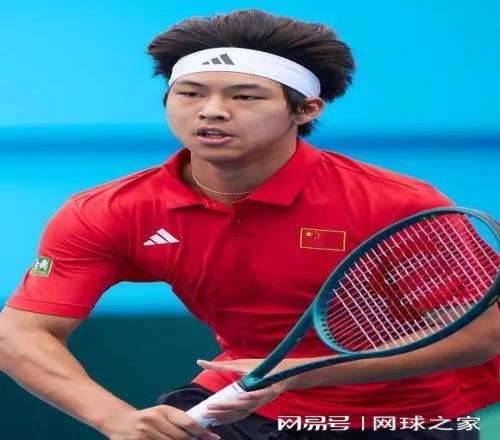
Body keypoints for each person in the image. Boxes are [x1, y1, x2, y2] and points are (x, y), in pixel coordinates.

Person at [0, 9, 498, 440]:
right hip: (242, 399)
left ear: (305, 109)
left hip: (403, 414)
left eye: (245, 97)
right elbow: (21, 332)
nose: (211, 111)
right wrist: (115, 418)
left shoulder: (395, 203)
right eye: (190, 93)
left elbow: (483, 336)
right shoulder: (109, 210)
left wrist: (297, 373)